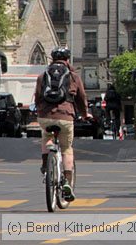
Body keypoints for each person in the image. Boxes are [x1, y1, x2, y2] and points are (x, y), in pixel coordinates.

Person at [34, 47, 91, 201]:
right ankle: (66, 182)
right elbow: (81, 98)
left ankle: (45, 165)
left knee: (46, 137)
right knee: (66, 148)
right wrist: (85, 114)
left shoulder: (42, 76)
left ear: (52, 59)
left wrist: (40, 111)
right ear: (67, 59)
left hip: (45, 116)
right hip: (65, 116)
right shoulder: (73, 76)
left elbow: (37, 98)